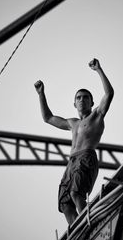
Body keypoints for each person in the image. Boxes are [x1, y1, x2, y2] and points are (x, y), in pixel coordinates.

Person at [34, 58, 114, 225]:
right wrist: (41, 94)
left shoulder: (96, 116)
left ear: (92, 102)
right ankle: (76, 233)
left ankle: (87, 224)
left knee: (76, 193)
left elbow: (109, 94)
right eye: (78, 97)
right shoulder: (72, 123)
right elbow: (48, 118)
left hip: (86, 157)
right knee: (64, 201)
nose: (82, 100)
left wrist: (99, 70)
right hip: (71, 163)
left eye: (85, 97)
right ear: (74, 103)